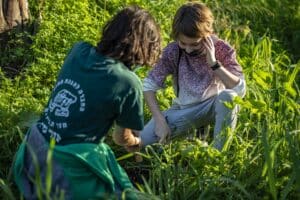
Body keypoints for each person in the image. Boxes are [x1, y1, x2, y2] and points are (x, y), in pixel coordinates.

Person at [13, 5, 161, 200]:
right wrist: (136, 142)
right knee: (126, 195)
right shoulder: (128, 82)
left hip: (33, 150)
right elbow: (120, 138)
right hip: (66, 165)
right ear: (145, 48)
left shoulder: (79, 50)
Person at [140, 2, 246, 150]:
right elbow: (148, 86)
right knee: (142, 142)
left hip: (213, 105)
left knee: (229, 96)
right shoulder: (173, 51)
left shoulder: (222, 48)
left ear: (208, 34)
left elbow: (239, 91)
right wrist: (160, 121)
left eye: (195, 44)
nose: (188, 50)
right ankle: (191, 139)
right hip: (185, 110)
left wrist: (214, 63)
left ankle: (217, 156)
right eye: (183, 43)